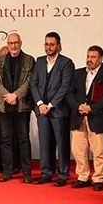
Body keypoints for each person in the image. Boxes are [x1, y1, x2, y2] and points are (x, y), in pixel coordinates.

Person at [66, 46, 103, 191]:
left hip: (98, 117)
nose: (89, 60)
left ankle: (99, 178)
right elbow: (69, 93)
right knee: (78, 150)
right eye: (88, 56)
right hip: (79, 117)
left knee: (99, 151)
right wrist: (78, 106)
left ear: (100, 59)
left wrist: (92, 108)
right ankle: (83, 177)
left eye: (93, 57)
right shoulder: (77, 73)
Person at [30, 32, 74, 185]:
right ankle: (46, 173)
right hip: (42, 111)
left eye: (52, 44)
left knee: (62, 144)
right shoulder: (39, 61)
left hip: (58, 111)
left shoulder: (66, 63)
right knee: (45, 143)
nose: (48, 47)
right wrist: (40, 104)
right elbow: (33, 83)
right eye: (46, 44)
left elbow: (65, 87)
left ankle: (63, 175)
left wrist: (50, 105)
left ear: (59, 46)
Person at [0, 33, 34, 183]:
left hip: (22, 106)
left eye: (16, 43)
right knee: (5, 140)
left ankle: (27, 173)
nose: (13, 46)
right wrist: (8, 96)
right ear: (7, 45)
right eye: (10, 43)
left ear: (20, 43)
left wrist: (15, 95)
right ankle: (7, 171)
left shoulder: (29, 60)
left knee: (23, 140)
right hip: (3, 106)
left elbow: (29, 82)